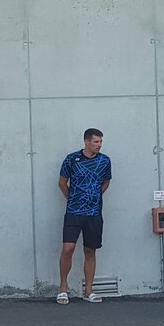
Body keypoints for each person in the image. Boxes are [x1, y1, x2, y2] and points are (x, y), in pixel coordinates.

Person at [58, 128, 112, 304]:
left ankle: (88, 291)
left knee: (90, 250)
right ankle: (63, 288)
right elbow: (62, 182)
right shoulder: (72, 159)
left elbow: (106, 182)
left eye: (101, 142)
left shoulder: (105, 161)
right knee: (68, 248)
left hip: (94, 213)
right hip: (74, 212)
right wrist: (72, 198)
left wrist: (94, 196)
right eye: (96, 141)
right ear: (86, 141)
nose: (99, 145)